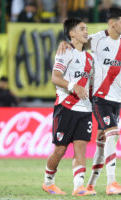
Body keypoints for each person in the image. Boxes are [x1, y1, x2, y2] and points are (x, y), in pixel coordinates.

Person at [57, 6, 121, 196]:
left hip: (116, 98)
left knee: (103, 141)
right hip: (99, 97)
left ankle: (91, 184)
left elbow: (120, 68)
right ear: (112, 23)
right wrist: (64, 43)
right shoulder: (96, 40)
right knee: (113, 134)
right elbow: (75, 43)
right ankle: (112, 183)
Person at [42, 18, 94, 196]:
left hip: (85, 109)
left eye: (87, 28)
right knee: (60, 149)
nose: (86, 32)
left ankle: (79, 187)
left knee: (81, 147)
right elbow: (55, 77)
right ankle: (48, 182)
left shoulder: (89, 57)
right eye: (81, 29)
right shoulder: (65, 51)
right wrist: (74, 86)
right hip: (66, 107)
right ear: (72, 34)